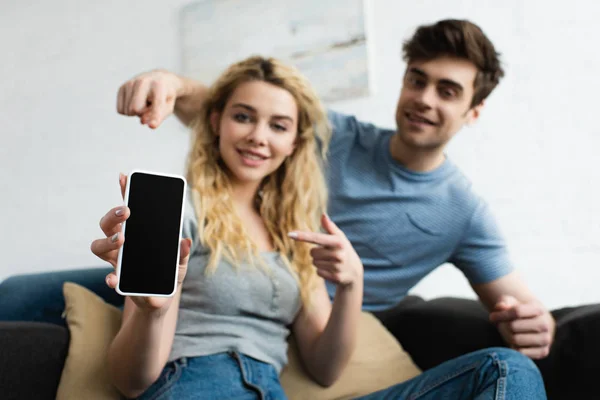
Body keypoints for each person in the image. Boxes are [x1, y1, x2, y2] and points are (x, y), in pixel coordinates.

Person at [0, 18, 579, 395]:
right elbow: (238, 98)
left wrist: (350, 283)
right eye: (417, 80)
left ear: (472, 111)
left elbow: (524, 313)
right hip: (196, 353)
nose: (425, 99)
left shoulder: (306, 234)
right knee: (19, 295)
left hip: (278, 344)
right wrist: (170, 82)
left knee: (507, 369)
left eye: (447, 90)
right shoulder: (334, 135)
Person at [92, 55, 545, 399]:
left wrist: (351, 285)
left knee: (505, 370)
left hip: (273, 390)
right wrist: (153, 310)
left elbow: (326, 369)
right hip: (197, 381)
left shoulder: (295, 230)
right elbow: (132, 382)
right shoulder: (181, 209)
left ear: (294, 142)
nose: (258, 137)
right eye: (243, 116)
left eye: (278, 125)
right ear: (216, 121)